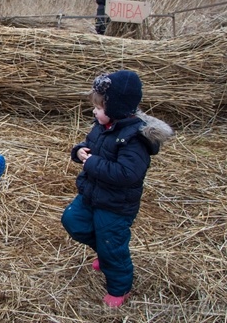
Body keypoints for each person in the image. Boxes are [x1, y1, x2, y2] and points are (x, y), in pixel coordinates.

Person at [60, 70, 173, 307]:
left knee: (112, 243)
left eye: (99, 108)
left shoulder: (134, 140)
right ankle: (104, 252)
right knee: (72, 220)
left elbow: (127, 174)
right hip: (91, 194)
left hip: (115, 205)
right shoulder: (102, 127)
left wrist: (92, 163)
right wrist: (79, 151)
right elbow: (90, 146)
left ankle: (120, 288)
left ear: (116, 108)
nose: (94, 111)